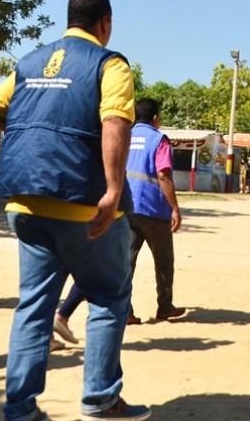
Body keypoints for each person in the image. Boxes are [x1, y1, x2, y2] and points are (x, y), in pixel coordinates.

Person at [0, 0, 150, 421]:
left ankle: (20, 409)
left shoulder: (30, 61)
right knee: (110, 297)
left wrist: (29, 138)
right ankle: (100, 400)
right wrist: (113, 190)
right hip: (81, 202)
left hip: (24, 200)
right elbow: (114, 121)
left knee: (33, 307)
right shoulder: (109, 63)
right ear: (105, 23)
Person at [54, 98, 184, 344]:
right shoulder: (159, 140)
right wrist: (174, 208)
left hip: (127, 206)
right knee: (164, 261)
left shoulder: (124, 134)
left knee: (127, 261)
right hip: (154, 209)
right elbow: (164, 175)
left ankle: (128, 312)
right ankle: (164, 306)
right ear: (156, 118)